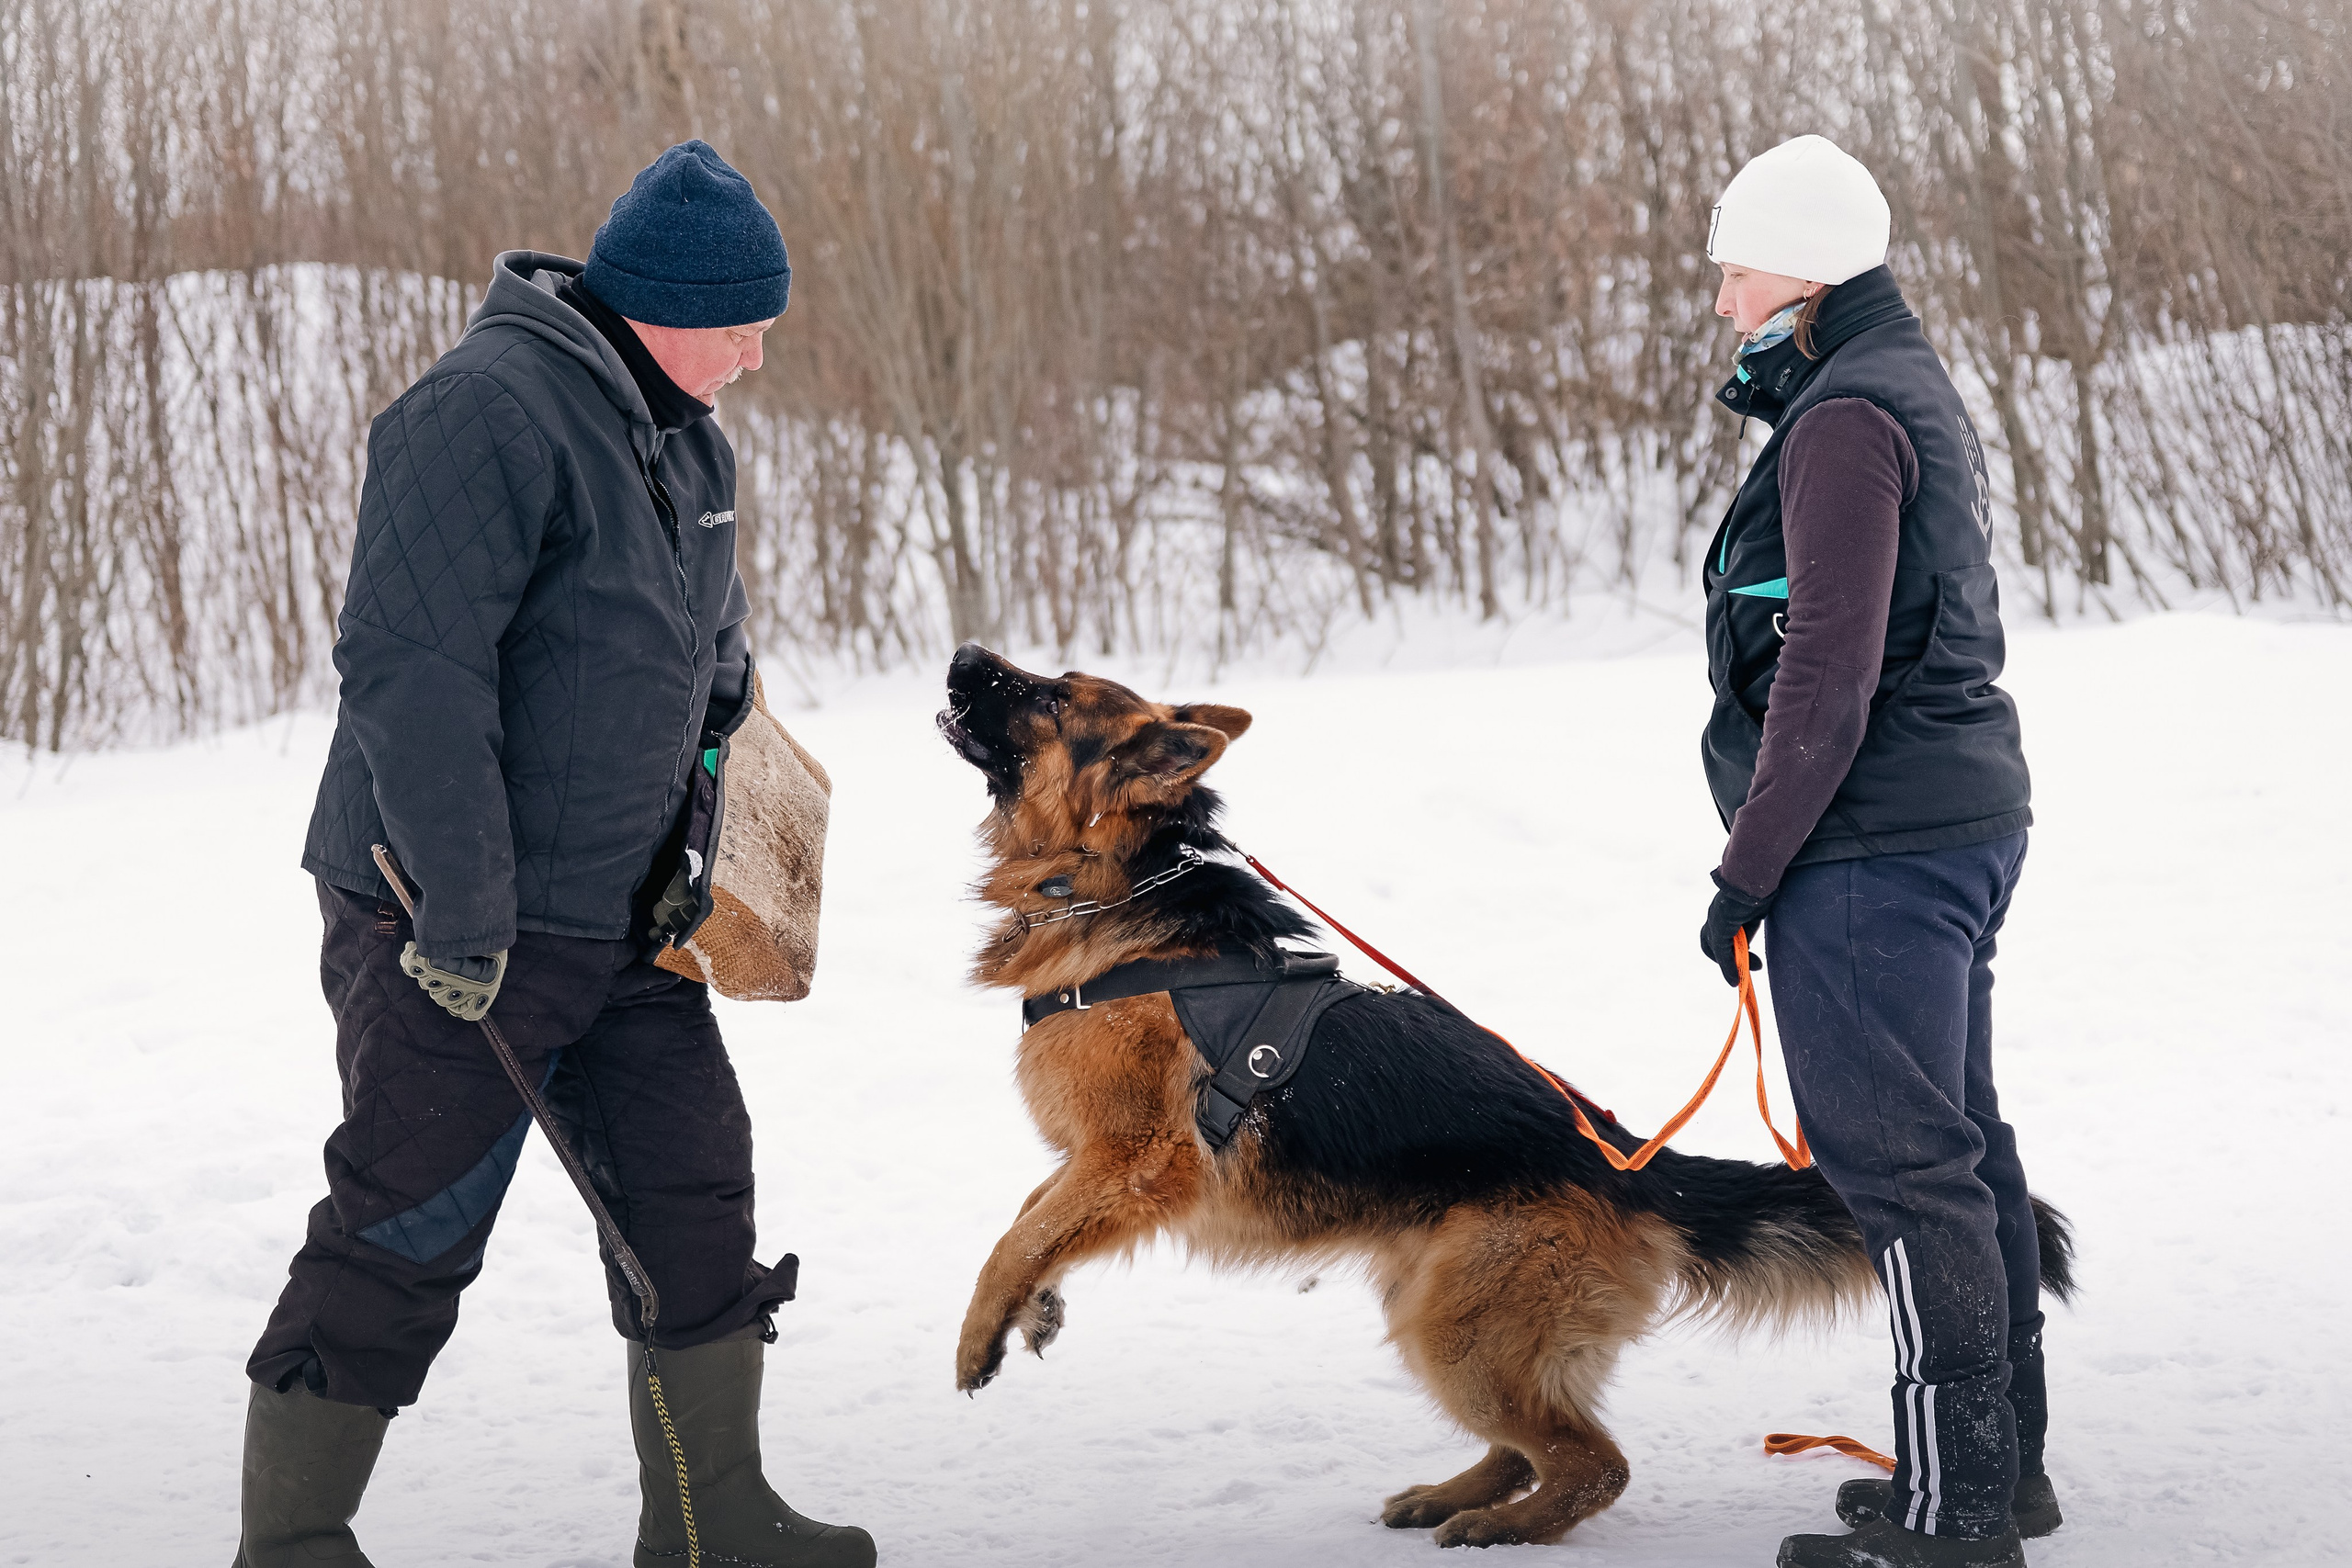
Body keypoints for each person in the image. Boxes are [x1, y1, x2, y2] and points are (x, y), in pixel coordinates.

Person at [234, 141, 874, 1568]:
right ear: (663, 307)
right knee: (409, 1220)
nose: (759, 352)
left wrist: (706, 851)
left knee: (695, 1199)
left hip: (628, 924)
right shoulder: (480, 415)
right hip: (455, 923)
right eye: (742, 323)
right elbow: (412, 672)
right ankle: (290, 1544)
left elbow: (719, 675)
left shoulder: (691, 448)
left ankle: (714, 1525)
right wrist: (462, 913)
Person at [1691, 135, 2053, 1568]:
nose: (1723, 300)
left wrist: (1748, 870)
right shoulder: (1887, 384)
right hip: (1945, 823)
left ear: (1803, 264)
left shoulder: (1846, 419)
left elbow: (1828, 676)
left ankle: (1955, 1517)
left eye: (1734, 267)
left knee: (1905, 1173)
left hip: (1875, 845)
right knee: (1960, 1150)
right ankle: (1996, 1475)